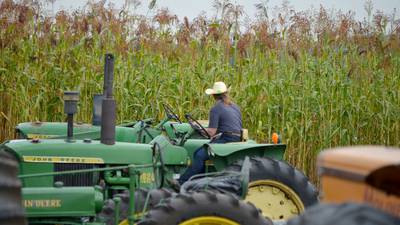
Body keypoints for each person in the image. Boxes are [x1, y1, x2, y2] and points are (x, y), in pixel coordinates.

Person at [177, 81, 243, 185]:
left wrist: (199, 129)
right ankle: (198, 182)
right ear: (226, 93)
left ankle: (182, 182)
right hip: (238, 138)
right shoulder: (235, 107)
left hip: (227, 139)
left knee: (199, 154)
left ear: (213, 95)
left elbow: (211, 132)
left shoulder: (216, 108)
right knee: (202, 152)